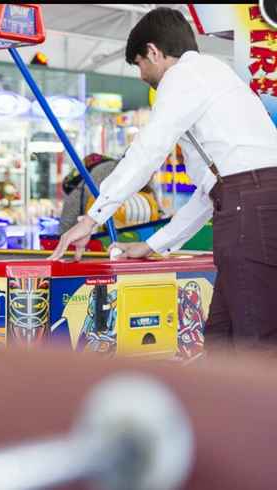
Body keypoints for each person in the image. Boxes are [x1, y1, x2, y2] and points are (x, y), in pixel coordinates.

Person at [50, 7, 277, 354]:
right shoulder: (215, 79)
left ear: (154, 51)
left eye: (140, 63)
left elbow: (149, 149)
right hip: (249, 205)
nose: (142, 75)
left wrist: (93, 217)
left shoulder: (184, 76)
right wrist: (155, 245)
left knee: (252, 341)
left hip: (251, 210)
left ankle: (256, 408)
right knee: (223, 336)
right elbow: (211, 191)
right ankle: (222, 407)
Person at [59, 152, 162, 233]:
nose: (151, 175)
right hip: (75, 224)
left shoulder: (144, 175)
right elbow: (88, 204)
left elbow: (155, 206)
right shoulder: (105, 171)